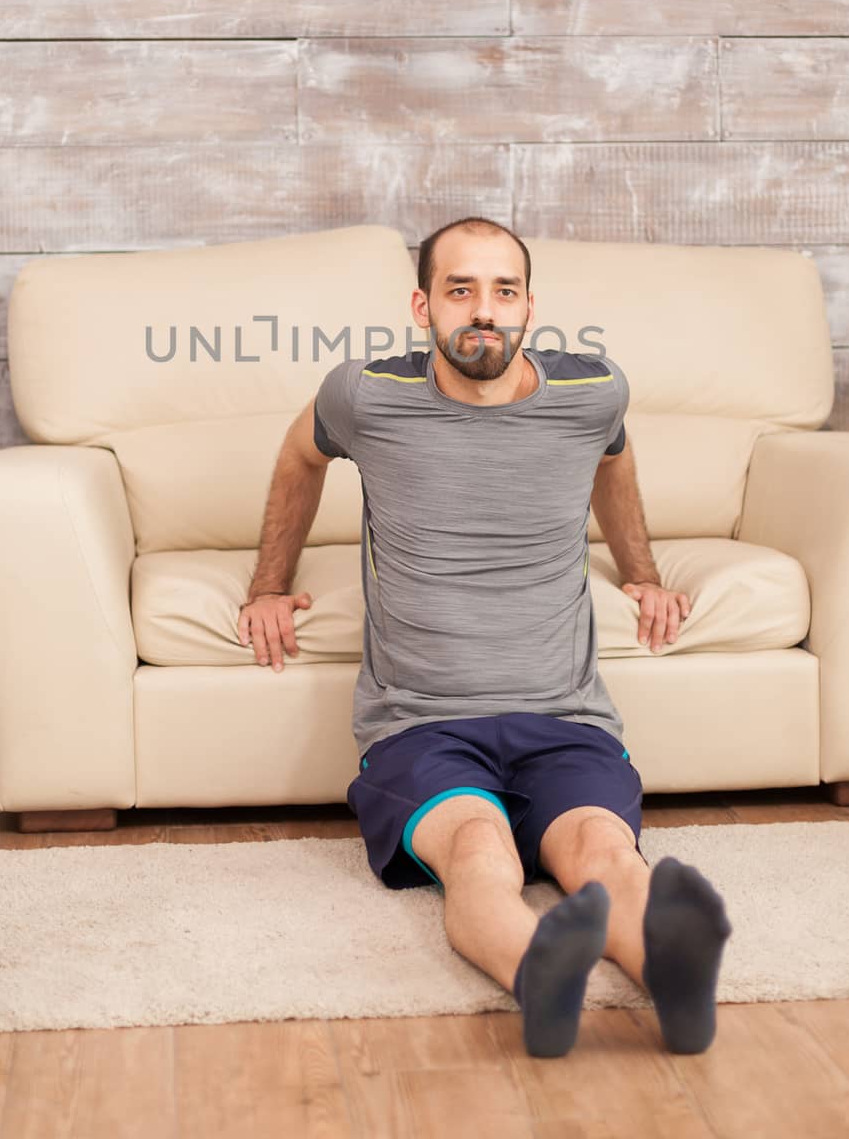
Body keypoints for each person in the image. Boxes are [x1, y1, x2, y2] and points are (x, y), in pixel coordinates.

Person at [238, 215, 732, 1058]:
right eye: (460, 290)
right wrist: (267, 587)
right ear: (421, 305)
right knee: (476, 850)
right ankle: (540, 971)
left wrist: (641, 573)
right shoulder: (365, 392)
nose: (482, 311)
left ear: (529, 307)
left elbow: (613, 464)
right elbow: (298, 459)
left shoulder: (592, 393)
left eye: (502, 291)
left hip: (565, 717)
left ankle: (673, 975)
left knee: (603, 849)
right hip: (420, 723)